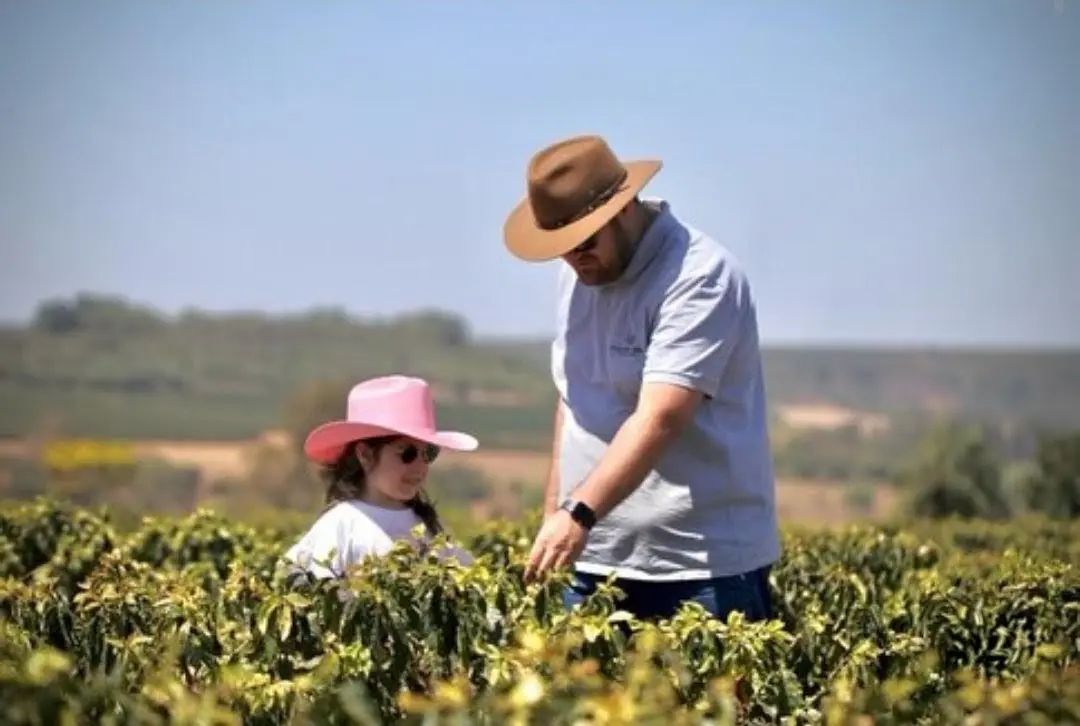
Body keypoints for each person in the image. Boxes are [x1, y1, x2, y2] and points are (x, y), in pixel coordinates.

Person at [502, 134, 781, 623]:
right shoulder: (579, 272)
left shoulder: (698, 275)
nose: (575, 260)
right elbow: (573, 398)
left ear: (624, 207)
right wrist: (555, 513)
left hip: (699, 568)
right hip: (590, 558)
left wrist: (578, 514)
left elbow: (661, 416)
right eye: (562, 250)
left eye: (584, 243)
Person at [283, 374, 479, 579]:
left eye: (428, 453)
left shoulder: (429, 526)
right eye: (407, 454)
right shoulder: (341, 525)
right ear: (365, 455)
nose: (420, 466)